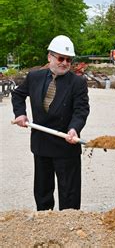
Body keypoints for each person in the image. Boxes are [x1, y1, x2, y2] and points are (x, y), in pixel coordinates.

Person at [11, 35, 90, 210]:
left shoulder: (78, 83)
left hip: (66, 145)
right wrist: (21, 114)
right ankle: (45, 224)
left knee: (69, 195)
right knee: (42, 192)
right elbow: (18, 95)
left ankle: (68, 227)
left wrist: (74, 129)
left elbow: (81, 110)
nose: (64, 63)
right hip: (41, 144)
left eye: (69, 60)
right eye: (60, 58)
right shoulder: (34, 77)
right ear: (50, 57)